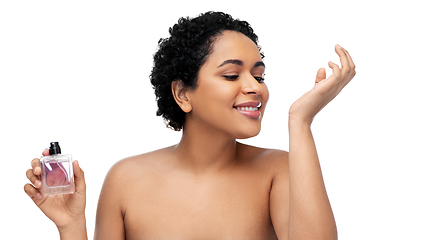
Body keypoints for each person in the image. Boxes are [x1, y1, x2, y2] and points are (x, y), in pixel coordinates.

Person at [24, 11, 356, 240]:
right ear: (183, 93)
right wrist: (71, 226)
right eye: (231, 75)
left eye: (259, 75)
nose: (255, 87)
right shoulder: (125, 180)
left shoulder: (278, 171)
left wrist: (300, 121)